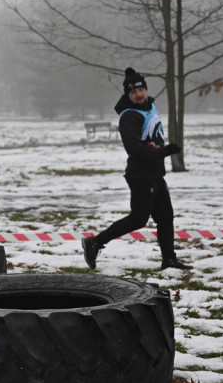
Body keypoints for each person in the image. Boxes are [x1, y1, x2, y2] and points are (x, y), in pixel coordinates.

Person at [82, 67, 191, 271]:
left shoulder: (149, 108)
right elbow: (133, 148)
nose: (139, 95)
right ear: (128, 95)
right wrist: (163, 152)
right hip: (141, 175)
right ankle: (95, 242)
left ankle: (169, 260)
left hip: (156, 174)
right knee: (139, 219)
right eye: (133, 92)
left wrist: (161, 153)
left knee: (166, 217)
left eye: (141, 90)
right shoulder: (129, 116)